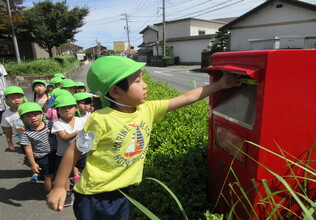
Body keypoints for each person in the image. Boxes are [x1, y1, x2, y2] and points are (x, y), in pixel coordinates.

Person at [46, 56, 241, 219]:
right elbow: (74, 149)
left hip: (122, 193)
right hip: (95, 196)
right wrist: (59, 186)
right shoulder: (100, 119)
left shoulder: (147, 109)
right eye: (138, 81)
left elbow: (186, 97)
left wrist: (221, 84)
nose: (145, 85)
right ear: (116, 91)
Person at [51, 95, 86, 207]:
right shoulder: (57, 123)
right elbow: (64, 137)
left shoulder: (82, 120)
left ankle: (87, 188)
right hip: (63, 154)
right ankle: (67, 193)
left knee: (86, 170)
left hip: (82, 152)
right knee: (65, 176)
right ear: (58, 111)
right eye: (63, 108)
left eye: (70, 107)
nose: (67, 110)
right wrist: (79, 132)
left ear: (76, 108)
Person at [19, 102, 57, 192]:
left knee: (58, 173)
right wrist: (32, 163)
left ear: (41, 114)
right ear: (22, 118)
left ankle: (59, 190)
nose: (33, 118)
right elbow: (28, 149)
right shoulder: (26, 133)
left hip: (55, 152)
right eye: (28, 116)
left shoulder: (49, 124)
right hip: (42, 157)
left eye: (36, 114)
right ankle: (50, 193)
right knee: (48, 176)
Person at [1, 86, 26, 150]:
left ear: (23, 97)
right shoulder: (6, 115)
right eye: (13, 98)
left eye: (19, 97)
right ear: (6, 100)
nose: (16, 100)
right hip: (23, 138)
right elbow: (7, 130)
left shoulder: (29, 108)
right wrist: (9, 141)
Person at [0, 64, 8, 133]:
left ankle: (6, 128)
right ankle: (4, 128)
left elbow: (4, 79)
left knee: (7, 109)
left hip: (3, 92)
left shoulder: (1, 66)